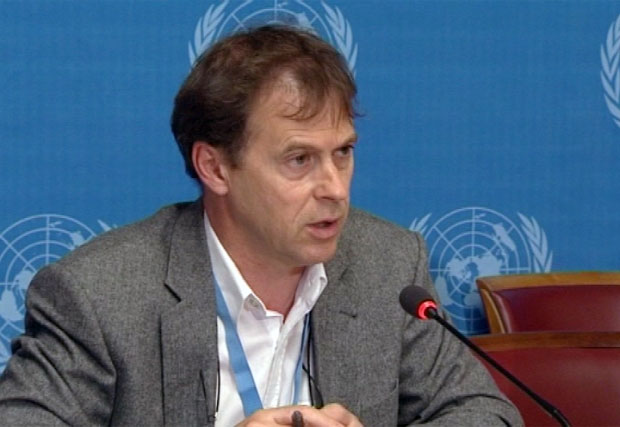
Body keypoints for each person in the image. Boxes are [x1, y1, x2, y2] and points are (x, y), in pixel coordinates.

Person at [0, 25, 521, 426]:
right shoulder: (99, 296)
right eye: (299, 160)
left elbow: (484, 414)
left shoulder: (388, 265)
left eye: (343, 153)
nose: (335, 188)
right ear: (215, 168)